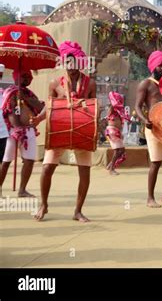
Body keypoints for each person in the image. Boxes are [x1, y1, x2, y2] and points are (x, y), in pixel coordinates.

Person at [35, 41, 97, 222]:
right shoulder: (56, 84)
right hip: (60, 130)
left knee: (85, 171)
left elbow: (94, 109)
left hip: (81, 131)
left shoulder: (89, 83)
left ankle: (78, 211)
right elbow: (50, 106)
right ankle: (44, 205)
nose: (71, 68)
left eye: (74, 64)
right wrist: (39, 118)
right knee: (47, 168)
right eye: (67, 64)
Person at [135, 50, 162, 207]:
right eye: (160, 66)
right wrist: (144, 120)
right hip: (153, 128)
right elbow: (137, 106)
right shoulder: (145, 84)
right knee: (156, 162)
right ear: (153, 66)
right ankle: (150, 198)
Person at [0, 70, 44, 198]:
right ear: (16, 77)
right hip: (13, 132)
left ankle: (22, 190)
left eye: (28, 77)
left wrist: (25, 98)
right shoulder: (10, 93)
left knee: (29, 160)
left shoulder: (29, 94)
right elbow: (9, 111)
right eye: (23, 76)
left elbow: (41, 109)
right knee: (6, 161)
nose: (26, 79)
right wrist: (18, 128)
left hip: (29, 131)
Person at [105, 91, 129, 175]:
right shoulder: (112, 109)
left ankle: (111, 165)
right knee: (117, 151)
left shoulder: (120, 111)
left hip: (116, 132)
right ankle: (111, 169)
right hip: (112, 131)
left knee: (122, 150)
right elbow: (111, 95)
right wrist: (114, 102)